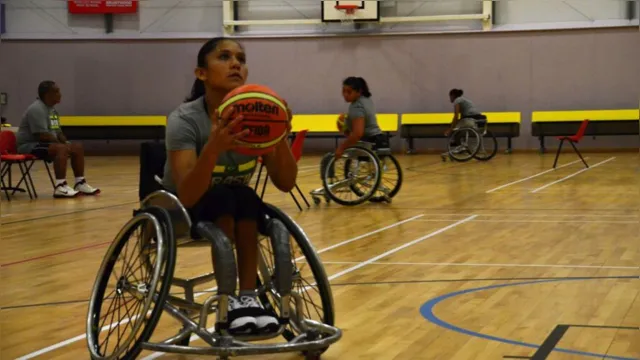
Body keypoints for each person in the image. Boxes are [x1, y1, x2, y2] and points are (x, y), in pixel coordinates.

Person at [162, 37, 298, 335]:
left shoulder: (258, 114)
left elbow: (286, 183)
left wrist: (281, 137)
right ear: (202, 73)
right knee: (226, 196)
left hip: (237, 203)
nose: (236, 63)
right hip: (183, 209)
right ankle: (228, 299)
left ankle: (247, 297)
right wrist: (214, 147)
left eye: (241, 59)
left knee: (245, 197)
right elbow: (186, 194)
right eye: (224, 57)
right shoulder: (184, 120)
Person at [16, 81, 100, 198]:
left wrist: (66, 142)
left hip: (47, 143)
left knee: (77, 147)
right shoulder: (37, 109)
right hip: (29, 146)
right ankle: (60, 186)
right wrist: (63, 146)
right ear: (47, 94)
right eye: (56, 92)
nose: (60, 94)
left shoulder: (53, 110)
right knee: (61, 149)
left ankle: (80, 183)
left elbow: (58, 132)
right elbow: (42, 135)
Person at [335, 76, 387, 158]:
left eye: (349, 92)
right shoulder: (367, 100)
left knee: (328, 159)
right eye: (343, 91)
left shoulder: (356, 106)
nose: (345, 95)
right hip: (380, 139)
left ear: (359, 92)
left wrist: (341, 148)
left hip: (367, 143)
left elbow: (358, 134)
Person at [443, 88, 484, 155]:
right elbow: (461, 117)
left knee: (454, 128)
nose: (450, 98)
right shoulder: (464, 100)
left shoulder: (457, 100)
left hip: (470, 120)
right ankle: (460, 144)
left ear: (452, 95)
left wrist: (450, 129)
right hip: (477, 119)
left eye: (450, 96)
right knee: (458, 128)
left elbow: (456, 115)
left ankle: (459, 145)